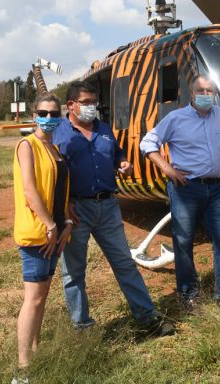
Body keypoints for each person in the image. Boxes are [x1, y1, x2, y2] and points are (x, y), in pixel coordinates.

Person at [140, 74, 220, 310]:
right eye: (201, 90)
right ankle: (189, 294)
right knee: (183, 241)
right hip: (185, 189)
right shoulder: (175, 118)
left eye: (210, 91)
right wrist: (167, 169)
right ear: (192, 93)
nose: (206, 95)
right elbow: (148, 143)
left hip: (215, 189)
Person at [52, 81, 170, 332]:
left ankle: (147, 317)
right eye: (86, 102)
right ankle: (82, 327)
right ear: (71, 105)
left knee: (125, 263)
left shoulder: (104, 128)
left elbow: (117, 154)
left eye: (94, 102)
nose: (92, 107)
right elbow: (52, 173)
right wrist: (63, 206)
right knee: (74, 272)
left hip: (108, 207)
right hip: (76, 210)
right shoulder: (58, 132)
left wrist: (123, 163)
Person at [12, 93, 72, 383]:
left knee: (43, 295)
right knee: (34, 299)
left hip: (56, 232)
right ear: (34, 115)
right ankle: (23, 370)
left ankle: (36, 351)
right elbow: (29, 189)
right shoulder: (28, 145)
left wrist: (66, 222)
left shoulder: (55, 149)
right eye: (43, 113)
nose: (49, 118)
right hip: (39, 234)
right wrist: (49, 225)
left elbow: (60, 191)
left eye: (54, 113)